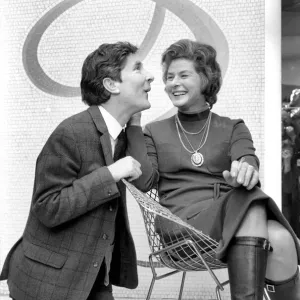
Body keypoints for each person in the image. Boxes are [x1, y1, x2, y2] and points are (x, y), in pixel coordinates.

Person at [126, 39, 300, 300]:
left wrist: (246, 170)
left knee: (281, 239)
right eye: (169, 77)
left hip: (228, 223)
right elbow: (144, 182)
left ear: (206, 79)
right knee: (249, 198)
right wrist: (135, 125)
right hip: (180, 229)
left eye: (183, 75)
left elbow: (247, 157)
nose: (173, 83)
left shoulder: (232, 127)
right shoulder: (153, 131)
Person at [0, 41, 154, 300]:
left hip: (92, 277)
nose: (150, 75)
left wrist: (136, 125)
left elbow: (145, 181)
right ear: (111, 85)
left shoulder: (123, 136)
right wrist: (110, 174)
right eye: (138, 68)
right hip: (47, 284)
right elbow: (47, 207)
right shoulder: (70, 133)